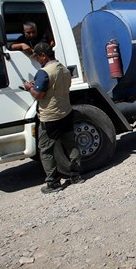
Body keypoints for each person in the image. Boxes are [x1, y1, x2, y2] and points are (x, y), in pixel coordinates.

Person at [23, 42, 84, 193]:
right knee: (71, 144)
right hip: (66, 112)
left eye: (38, 57)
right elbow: (58, 87)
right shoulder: (63, 69)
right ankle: (76, 175)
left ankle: (53, 182)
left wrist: (30, 87)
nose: (38, 60)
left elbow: (39, 95)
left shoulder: (43, 72)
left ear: (43, 55)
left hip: (50, 117)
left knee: (46, 149)